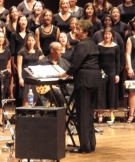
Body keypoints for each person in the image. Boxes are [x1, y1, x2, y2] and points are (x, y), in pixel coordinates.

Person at [59, 20, 102, 153]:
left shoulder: (82, 45)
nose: (75, 31)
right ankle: (90, 144)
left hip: (84, 81)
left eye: (78, 29)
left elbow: (76, 64)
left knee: (83, 114)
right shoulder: (92, 44)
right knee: (88, 113)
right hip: (94, 80)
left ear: (85, 33)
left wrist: (65, 74)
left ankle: (84, 147)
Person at [97, 27, 120, 123]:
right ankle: (100, 114)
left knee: (112, 92)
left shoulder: (116, 47)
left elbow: (117, 62)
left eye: (109, 34)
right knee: (100, 92)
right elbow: (97, 60)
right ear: (103, 35)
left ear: (112, 35)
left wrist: (117, 74)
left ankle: (111, 113)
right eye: (105, 34)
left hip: (112, 71)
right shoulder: (98, 46)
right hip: (101, 71)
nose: (107, 36)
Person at [38, 42, 70, 107]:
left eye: (62, 50)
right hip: (47, 88)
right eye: (59, 50)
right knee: (58, 92)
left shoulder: (64, 62)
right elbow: (39, 76)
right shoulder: (42, 62)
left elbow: (70, 72)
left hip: (63, 87)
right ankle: (60, 114)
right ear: (52, 50)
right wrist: (56, 75)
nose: (61, 52)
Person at [17, 33, 44, 106]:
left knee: (35, 96)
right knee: (26, 97)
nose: (31, 42)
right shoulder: (22, 51)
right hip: (26, 76)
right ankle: (25, 114)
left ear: (35, 41)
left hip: (35, 76)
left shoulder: (38, 51)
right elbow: (19, 65)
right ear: (26, 41)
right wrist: (20, 78)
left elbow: (42, 63)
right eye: (29, 40)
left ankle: (31, 113)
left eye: (32, 40)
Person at [125, 24, 135, 123]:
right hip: (134, 67)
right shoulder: (131, 39)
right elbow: (128, 54)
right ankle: (131, 114)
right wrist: (129, 67)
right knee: (133, 91)